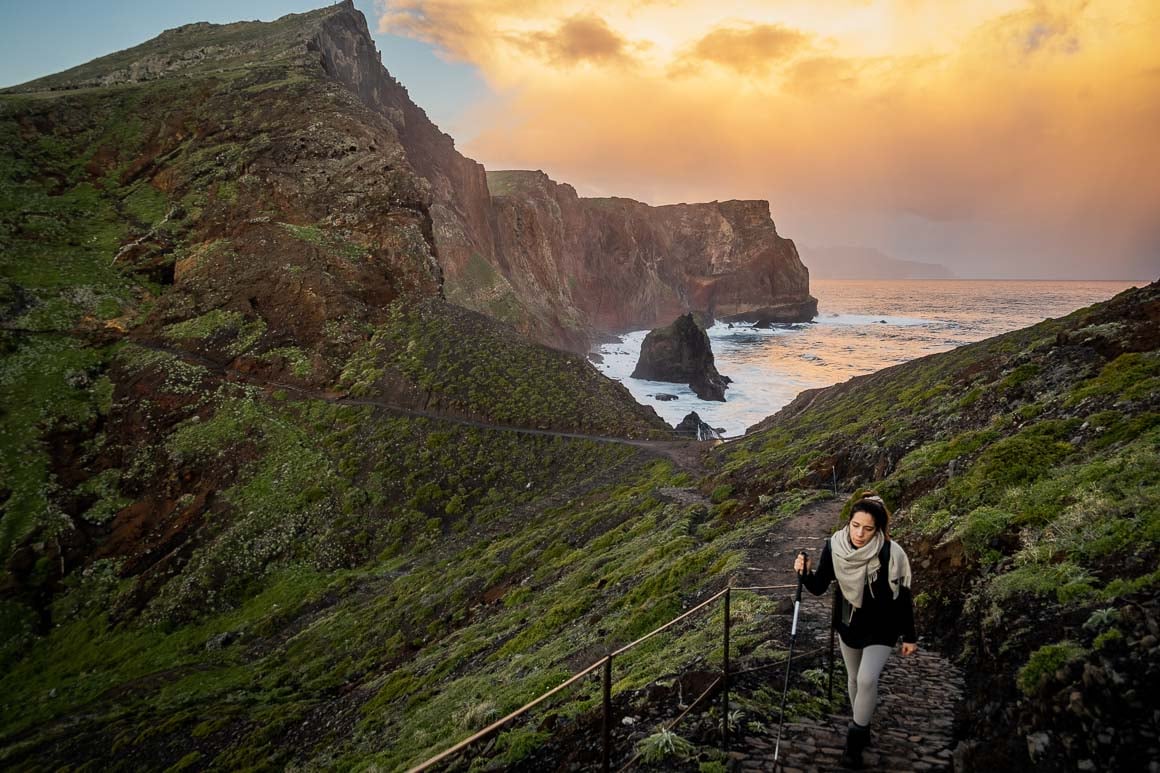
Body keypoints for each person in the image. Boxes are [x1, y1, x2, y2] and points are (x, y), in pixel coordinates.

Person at [793, 491, 917, 769]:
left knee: (866, 680)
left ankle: (855, 741)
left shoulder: (890, 552)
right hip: (849, 623)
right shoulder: (834, 547)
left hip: (883, 628)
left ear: (879, 529)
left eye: (868, 528)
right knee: (853, 678)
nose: (860, 533)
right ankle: (863, 721)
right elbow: (819, 586)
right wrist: (804, 573)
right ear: (848, 522)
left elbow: (903, 596)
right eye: (856, 525)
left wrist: (909, 635)